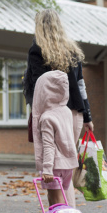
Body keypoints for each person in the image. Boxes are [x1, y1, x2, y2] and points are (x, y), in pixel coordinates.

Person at [23, 8, 94, 147]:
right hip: (75, 113)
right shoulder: (73, 50)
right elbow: (81, 86)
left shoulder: (37, 50)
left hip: (52, 113)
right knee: (69, 159)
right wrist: (87, 117)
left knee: (51, 159)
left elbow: (39, 84)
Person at [33, 70, 78, 207]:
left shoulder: (47, 118)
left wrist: (47, 169)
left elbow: (49, 145)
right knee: (61, 199)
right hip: (68, 166)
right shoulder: (67, 111)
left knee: (55, 201)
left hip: (53, 166)